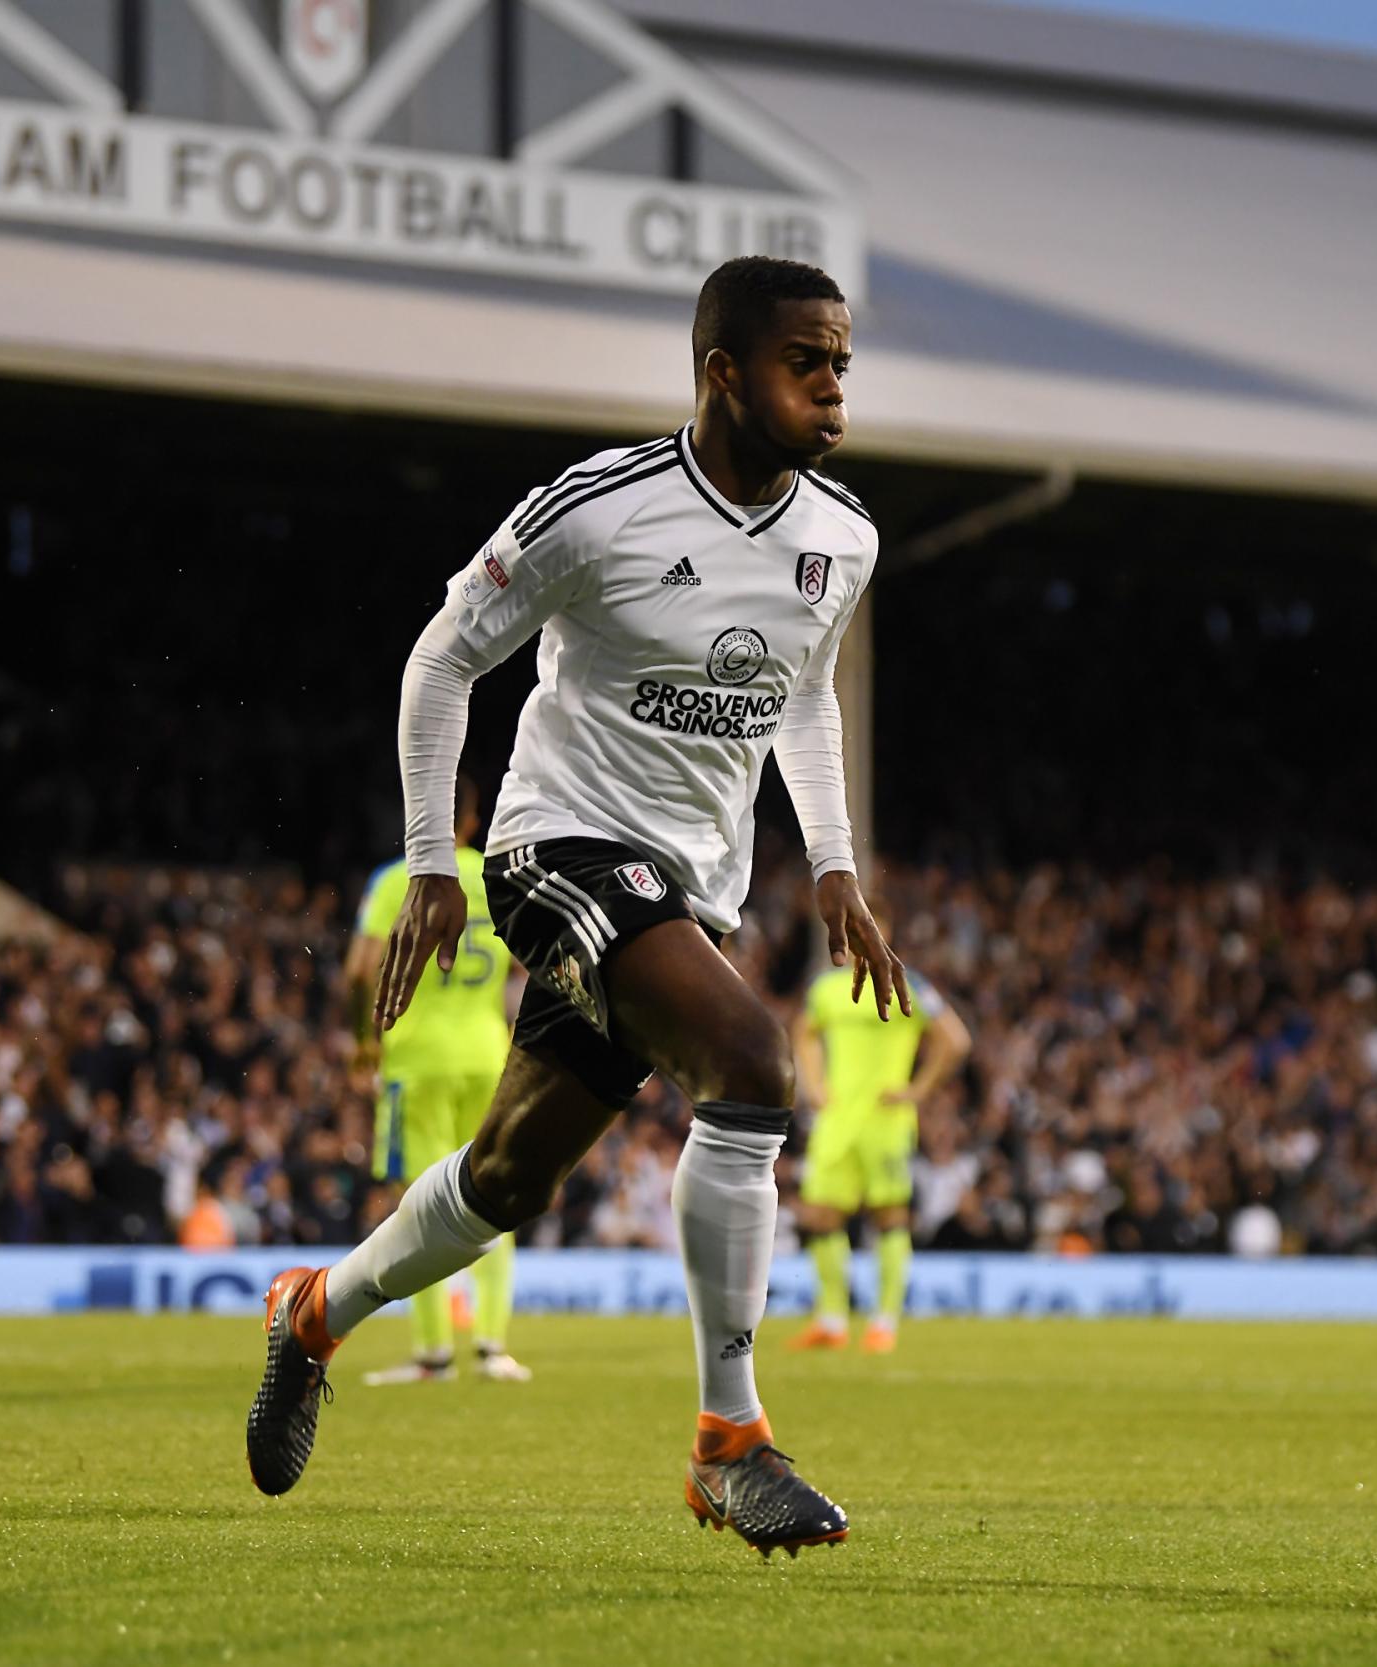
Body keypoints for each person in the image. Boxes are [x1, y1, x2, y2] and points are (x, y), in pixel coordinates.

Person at [248, 256, 909, 1562]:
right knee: (755, 1062)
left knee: (510, 1174)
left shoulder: (843, 538)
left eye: (843, 360)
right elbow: (446, 651)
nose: (835, 384)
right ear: (724, 372)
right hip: (561, 848)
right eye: (806, 361)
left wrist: (833, 858)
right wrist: (432, 857)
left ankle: (313, 1308)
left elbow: (803, 694)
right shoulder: (599, 508)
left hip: (693, 885)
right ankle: (732, 1440)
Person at [342, 777, 530, 1385]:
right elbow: (532, 961)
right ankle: (493, 1345)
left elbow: (356, 972)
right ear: (473, 821)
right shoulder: (498, 876)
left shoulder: (396, 880)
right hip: (487, 1055)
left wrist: (365, 1039)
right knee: (493, 1194)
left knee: (421, 1203)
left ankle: (433, 1353)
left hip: (417, 1060)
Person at [787, 954, 969, 1354]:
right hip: (836, 1121)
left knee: (888, 1217)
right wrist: (814, 1084)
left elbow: (954, 1040)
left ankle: (884, 1321)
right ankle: (832, 1320)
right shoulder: (826, 988)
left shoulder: (909, 982)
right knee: (820, 1216)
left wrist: (918, 1090)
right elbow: (803, 1032)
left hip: (886, 1122)